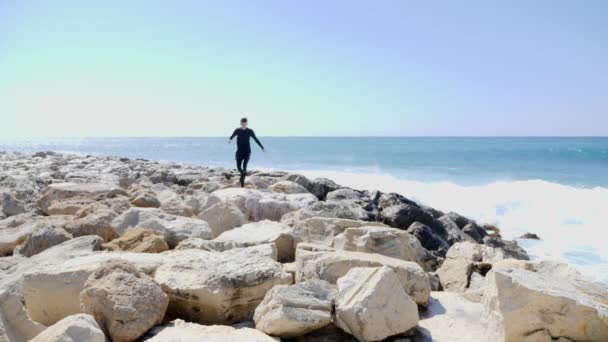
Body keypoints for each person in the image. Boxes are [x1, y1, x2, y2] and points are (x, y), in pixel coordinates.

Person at [228, 117, 265, 187]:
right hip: (239, 152)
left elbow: (255, 139)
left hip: (247, 152)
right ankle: (242, 175)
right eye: (242, 124)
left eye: (245, 124)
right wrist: (230, 139)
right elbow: (232, 136)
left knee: (244, 168)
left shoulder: (250, 131)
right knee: (239, 168)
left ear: (247, 123)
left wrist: (262, 147)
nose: (244, 125)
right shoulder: (237, 130)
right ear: (240, 123)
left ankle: (242, 185)